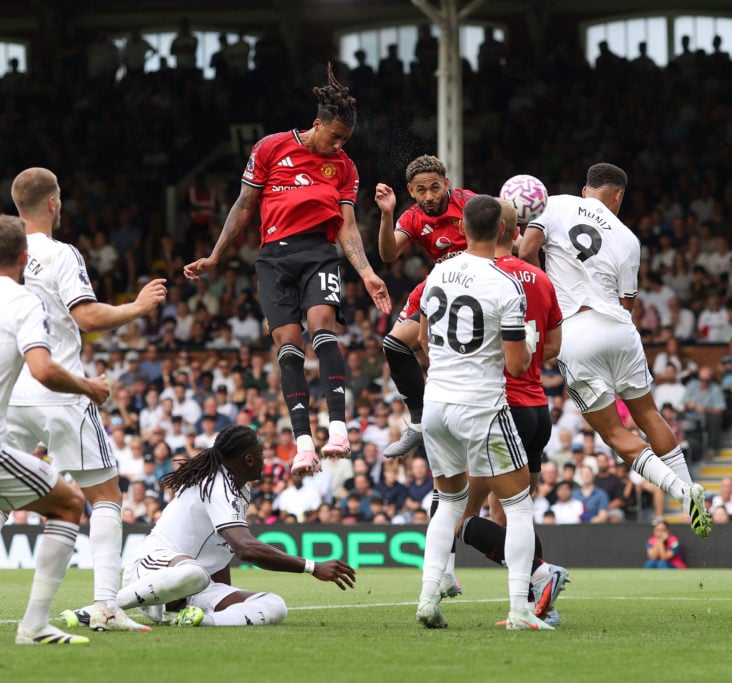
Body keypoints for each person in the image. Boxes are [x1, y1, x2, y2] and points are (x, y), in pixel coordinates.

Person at [184, 65, 391, 477]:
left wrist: (366, 272)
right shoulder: (270, 148)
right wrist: (216, 256)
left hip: (319, 252)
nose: (338, 146)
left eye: (345, 140)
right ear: (318, 124)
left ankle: (337, 428)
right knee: (289, 346)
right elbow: (244, 206)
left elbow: (347, 226)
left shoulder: (345, 168)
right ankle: (303, 445)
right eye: (335, 136)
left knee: (323, 330)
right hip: (274, 258)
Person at [5, 168, 167, 633]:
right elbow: (87, 313)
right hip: (62, 392)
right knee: (105, 496)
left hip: (11, 396)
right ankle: (105, 606)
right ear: (54, 203)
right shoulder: (61, 254)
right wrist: (138, 307)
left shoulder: (6, 254)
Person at [519, 163, 711, 539]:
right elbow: (628, 304)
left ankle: (679, 490)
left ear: (584, 188)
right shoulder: (628, 238)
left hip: (575, 329)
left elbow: (526, 253)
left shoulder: (554, 204)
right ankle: (690, 485)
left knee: (614, 434)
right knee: (649, 414)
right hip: (621, 329)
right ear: (618, 195)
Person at [62, 425, 356, 628]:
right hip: (150, 573)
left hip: (190, 590)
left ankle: (196, 621)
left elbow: (222, 550)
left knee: (274, 605)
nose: (265, 460)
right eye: (262, 455)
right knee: (194, 572)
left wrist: (221, 601)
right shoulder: (215, 482)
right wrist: (311, 567)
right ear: (249, 458)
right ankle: (100, 608)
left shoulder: (241, 489)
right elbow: (246, 548)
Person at [414, 195, 550, 631]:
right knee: (519, 505)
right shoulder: (504, 285)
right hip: (482, 407)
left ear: (462, 228)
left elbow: (422, 339)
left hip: (435, 404)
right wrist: (527, 342)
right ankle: (519, 610)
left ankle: (427, 597)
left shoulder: (437, 272)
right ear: (506, 232)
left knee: (449, 504)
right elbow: (515, 365)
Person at [453, 199, 569, 625]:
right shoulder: (540, 278)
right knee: (514, 512)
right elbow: (554, 347)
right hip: (538, 408)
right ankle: (542, 605)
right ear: (513, 229)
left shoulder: (485, 276)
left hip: (501, 408)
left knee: (459, 515)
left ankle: (541, 578)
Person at [0, 214, 111, 645]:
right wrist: (89, 386)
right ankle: (33, 626)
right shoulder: (23, 300)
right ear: (24, 259)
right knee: (68, 504)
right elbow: (44, 369)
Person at [374, 156, 474, 457]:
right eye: (421, 190)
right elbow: (388, 254)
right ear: (411, 191)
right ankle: (418, 421)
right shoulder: (413, 216)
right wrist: (387, 214)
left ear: (446, 183)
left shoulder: (470, 204)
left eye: (434, 188)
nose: (429, 196)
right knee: (394, 344)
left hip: (476, 284)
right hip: (440, 284)